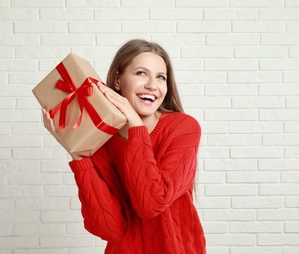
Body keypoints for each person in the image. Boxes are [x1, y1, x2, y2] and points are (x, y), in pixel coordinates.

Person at [42, 39, 206, 253]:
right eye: (141, 73)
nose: (152, 85)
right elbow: (109, 228)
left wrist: (134, 125)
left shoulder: (183, 128)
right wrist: (79, 156)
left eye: (161, 77)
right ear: (118, 80)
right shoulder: (101, 139)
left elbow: (151, 203)